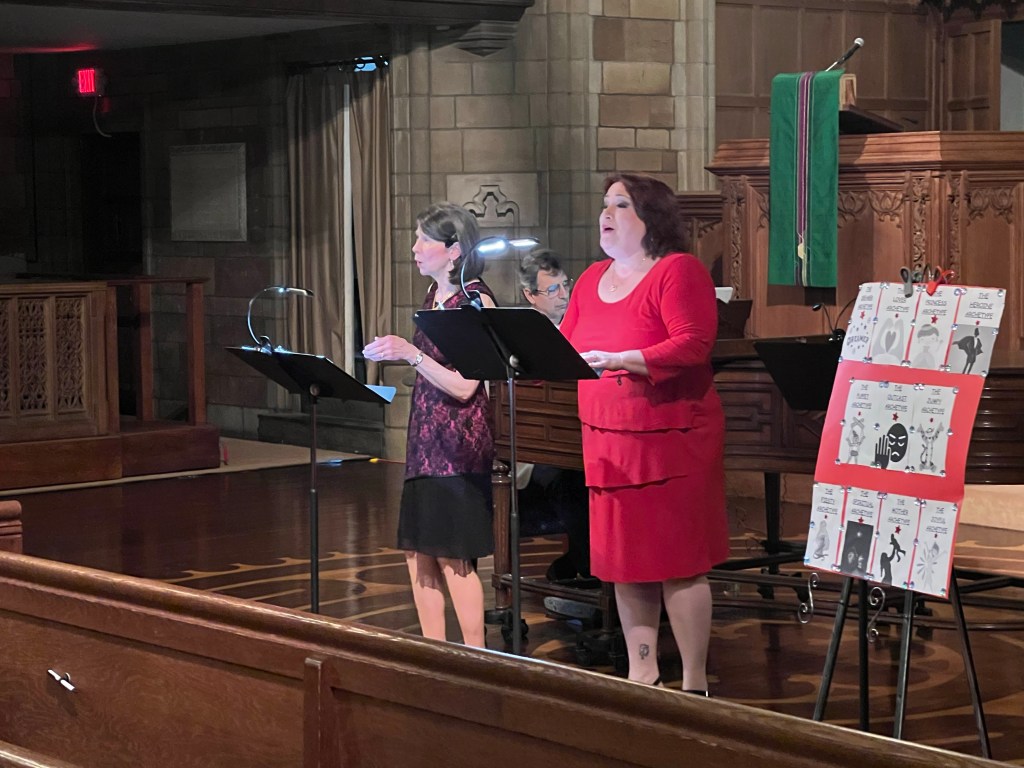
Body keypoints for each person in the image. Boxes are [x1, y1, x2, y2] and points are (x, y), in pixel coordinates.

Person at [559, 172, 730, 694]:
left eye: (620, 205)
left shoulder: (678, 270)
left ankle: (694, 683)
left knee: (679, 561)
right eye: (604, 205)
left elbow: (693, 343)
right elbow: (564, 345)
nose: (606, 214)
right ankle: (642, 674)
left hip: (670, 438)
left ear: (651, 217)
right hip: (608, 440)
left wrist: (622, 358)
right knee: (626, 562)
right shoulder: (591, 278)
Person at [362, 202, 496, 648]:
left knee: (453, 556)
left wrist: (410, 353)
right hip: (424, 442)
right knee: (418, 552)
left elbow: (466, 387)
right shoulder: (433, 295)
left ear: (454, 250)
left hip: (458, 447)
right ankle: (433, 653)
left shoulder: (475, 301)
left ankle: (476, 657)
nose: (414, 248)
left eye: (424, 240)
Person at [515, 249, 592, 585]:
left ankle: (590, 562)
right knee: (569, 478)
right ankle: (589, 568)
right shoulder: (522, 334)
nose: (563, 295)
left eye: (565, 285)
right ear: (530, 295)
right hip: (535, 443)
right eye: (552, 289)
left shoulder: (583, 324)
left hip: (577, 431)